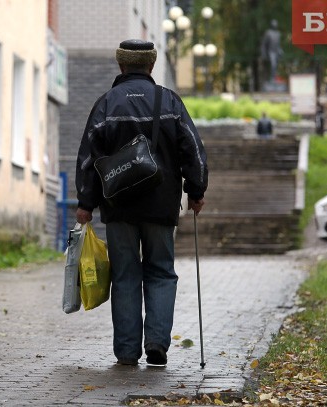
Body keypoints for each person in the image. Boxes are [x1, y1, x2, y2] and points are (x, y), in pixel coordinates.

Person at [74, 39, 208, 366]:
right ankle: (158, 343)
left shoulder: (106, 104)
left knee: (124, 275)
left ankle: (126, 351)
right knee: (161, 271)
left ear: (121, 66)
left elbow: (88, 158)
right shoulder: (169, 101)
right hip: (161, 205)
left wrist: (85, 203)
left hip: (118, 206)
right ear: (151, 65)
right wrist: (196, 189)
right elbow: (192, 148)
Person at [261, 19, 283, 83]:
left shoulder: (278, 34)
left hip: (276, 52)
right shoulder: (268, 33)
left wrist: (280, 50)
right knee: (273, 65)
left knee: (276, 66)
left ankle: (275, 78)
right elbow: (264, 44)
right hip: (271, 51)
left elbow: (278, 44)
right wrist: (264, 53)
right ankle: (272, 79)